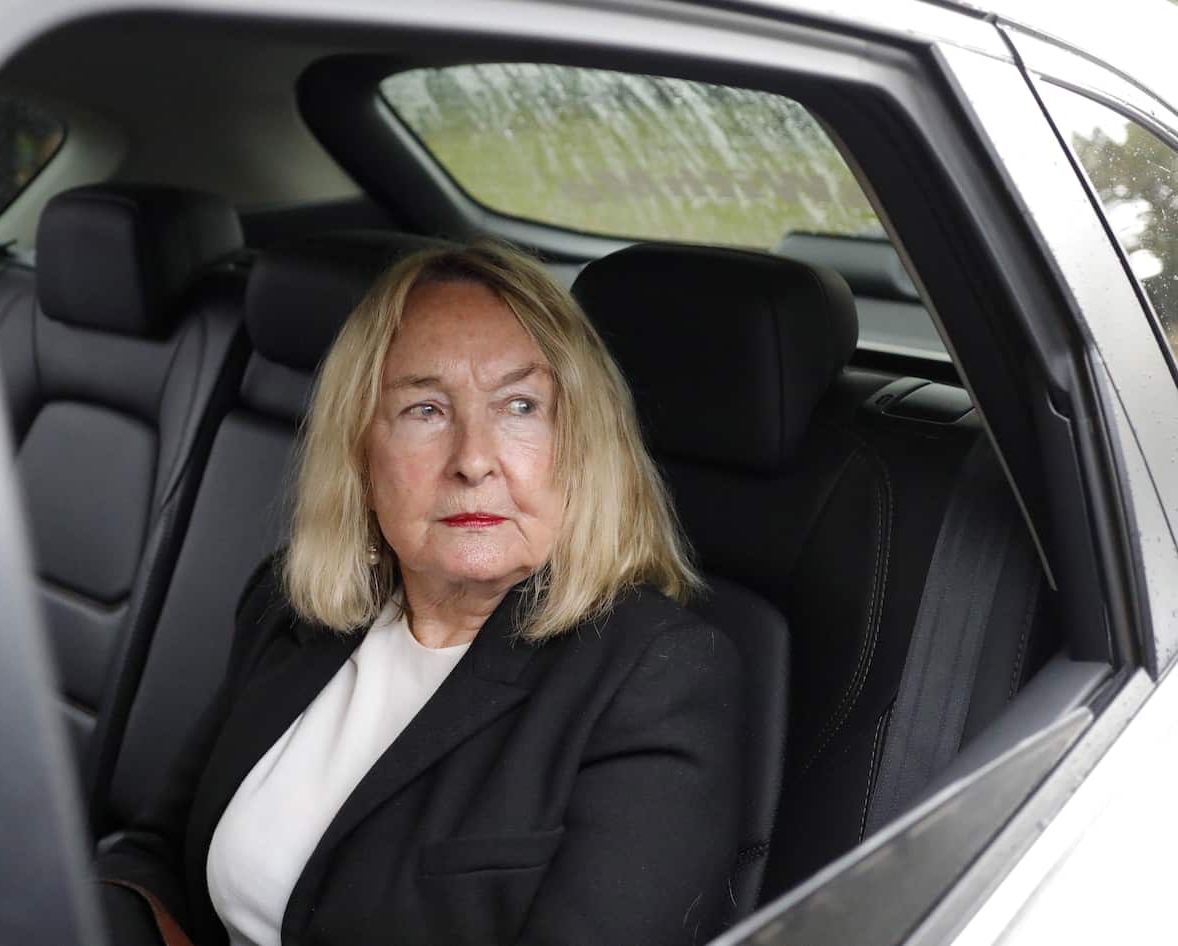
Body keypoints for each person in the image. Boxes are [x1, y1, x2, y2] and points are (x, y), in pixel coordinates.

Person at [97, 242, 746, 946]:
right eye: (425, 410)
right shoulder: (291, 607)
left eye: (520, 406)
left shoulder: (658, 676)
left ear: (583, 446)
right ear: (361, 453)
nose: (472, 459)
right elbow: (153, 854)